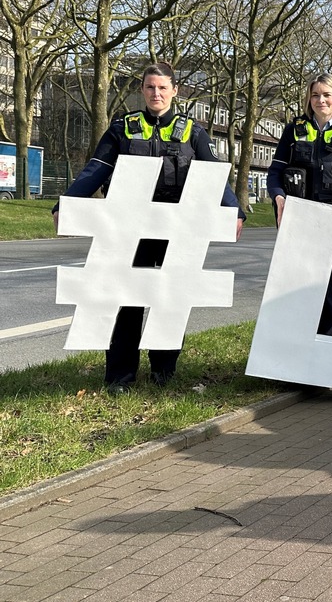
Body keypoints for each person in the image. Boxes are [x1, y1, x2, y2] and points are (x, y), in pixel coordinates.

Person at [52, 62, 246, 394]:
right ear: (142, 90)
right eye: (149, 87)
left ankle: (164, 373)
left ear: (175, 90)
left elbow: (213, 173)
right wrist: (66, 204)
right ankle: (120, 376)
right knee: (125, 299)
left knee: (169, 298)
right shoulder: (123, 128)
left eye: (162, 87)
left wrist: (234, 211)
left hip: (176, 228)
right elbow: (96, 168)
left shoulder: (192, 132)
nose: (156, 93)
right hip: (128, 228)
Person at [267, 72, 332, 339]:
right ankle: (292, 360)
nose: (321, 100)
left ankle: (322, 364)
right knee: (293, 293)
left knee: (329, 295)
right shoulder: (293, 131)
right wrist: (279, 198)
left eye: (327, 95)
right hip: (298, 224)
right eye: (315, 95)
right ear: (309, 99)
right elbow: (274, 174)